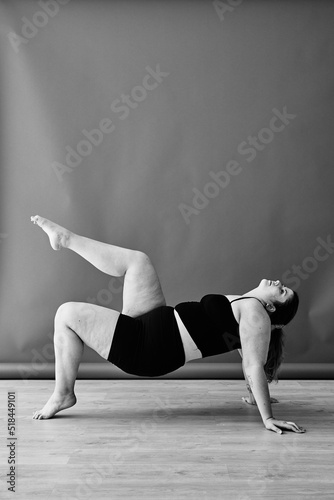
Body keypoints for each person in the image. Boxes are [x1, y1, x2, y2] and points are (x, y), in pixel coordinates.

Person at [30, 215, 305, 435]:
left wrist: (267, 416)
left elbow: (253, 363)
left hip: (148, 348)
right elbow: (244, 350)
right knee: (139, 261)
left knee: (66, 314)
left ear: (271, 308)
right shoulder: (250, 307)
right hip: (154, 321)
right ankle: (66, 239)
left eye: (282, 292)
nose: (279, 284)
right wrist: (253, 396)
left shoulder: (257, 314)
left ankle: (63, 394)